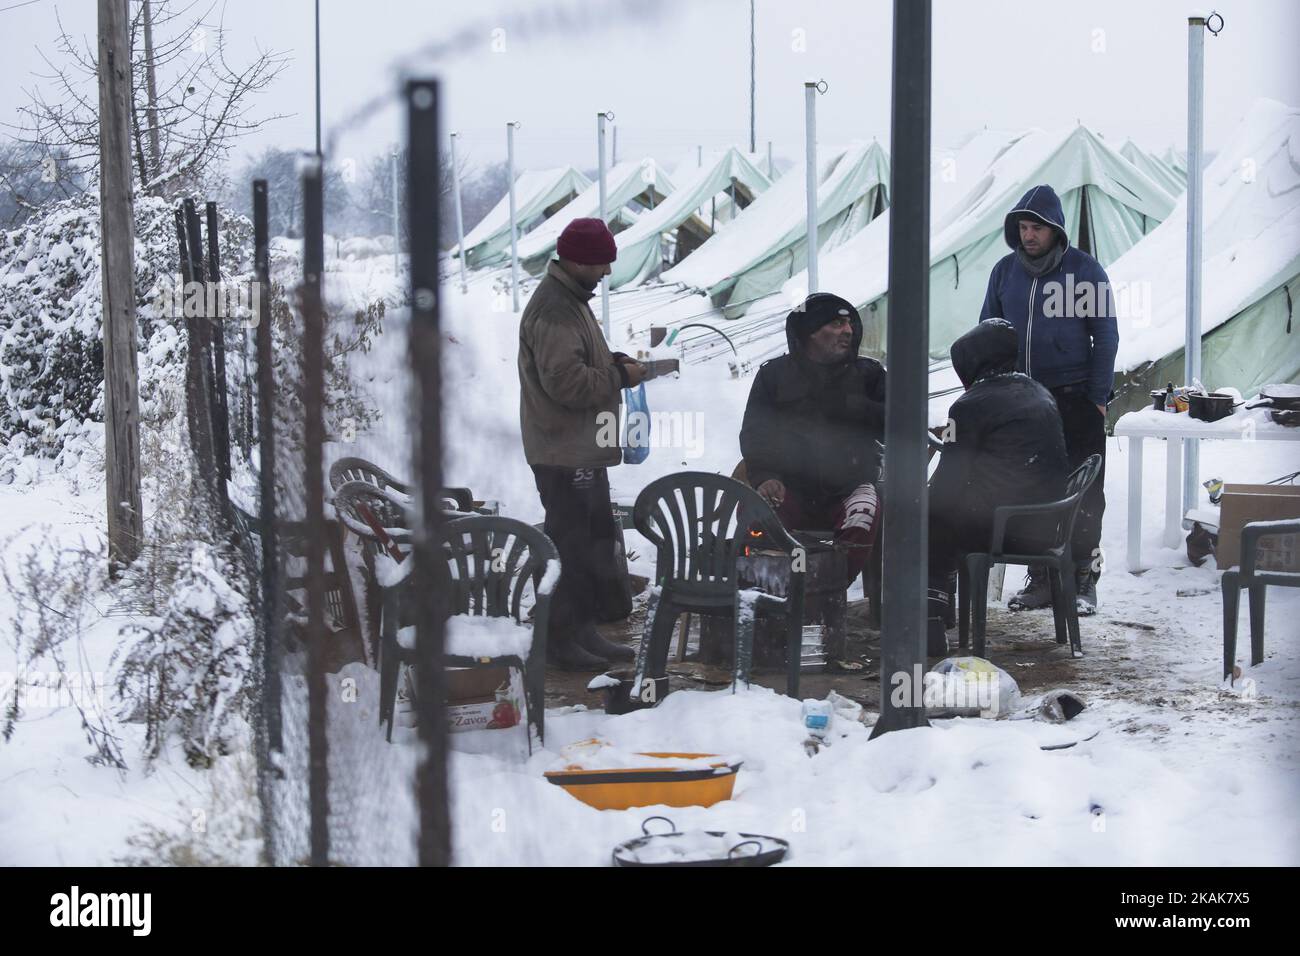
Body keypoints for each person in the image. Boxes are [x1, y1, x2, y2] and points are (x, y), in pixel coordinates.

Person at [979, 184, 1118, 614]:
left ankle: (1082, 582)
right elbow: (988, 332)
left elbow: (1106, 335)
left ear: (1055, 229)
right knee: (1030, 488)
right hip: (1022, 402)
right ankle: (1040, 579)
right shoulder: (1005, 272)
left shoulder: (1085, 270)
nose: (1028, 236)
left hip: (1075, 398)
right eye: (1022, 227)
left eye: (1036, 227)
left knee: (1085, 491)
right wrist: (991, 389)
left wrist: (1096, 398)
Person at [518, 218, 646, 670]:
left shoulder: (571, 300)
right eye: (601, 264)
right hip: (563, 452)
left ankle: (581, 629)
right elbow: (567, 384)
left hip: (580, 449)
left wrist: (611, 360)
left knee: (588, 545)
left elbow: (578, 359)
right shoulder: (555, 309)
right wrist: (619, 377)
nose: (607, 272)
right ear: (575, 260)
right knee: (569, 548)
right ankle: (558, 640)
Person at [927, 319, 1070, 654]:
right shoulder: (1038, 392)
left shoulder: (970, 406)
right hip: (1049, 524)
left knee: (929, 521)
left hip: (1005, 528)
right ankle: (940, 607)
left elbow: (949, 481)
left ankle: (930, 617)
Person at [739, 293, 885, 582]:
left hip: (848, 488)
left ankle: (827, 590)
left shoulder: (869, 374)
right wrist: (766, 475)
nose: (848, 330)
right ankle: (771, 592)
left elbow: (897, 423)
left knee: (864, 510)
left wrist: (857, 407)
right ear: (810, 332)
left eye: (849, 323)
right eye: (836, 323)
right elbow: (756, 432)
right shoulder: (775, 376)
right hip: (789, 489)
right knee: (753, 515)